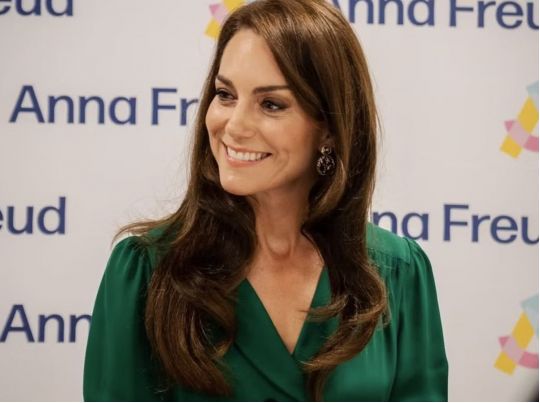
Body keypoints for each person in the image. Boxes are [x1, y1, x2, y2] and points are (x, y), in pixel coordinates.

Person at [83, 0, 448, 401]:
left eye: (271, 104)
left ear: (329, 129)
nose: (234, 126)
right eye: (225, 95)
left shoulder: (397, 272)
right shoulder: (146, 272)